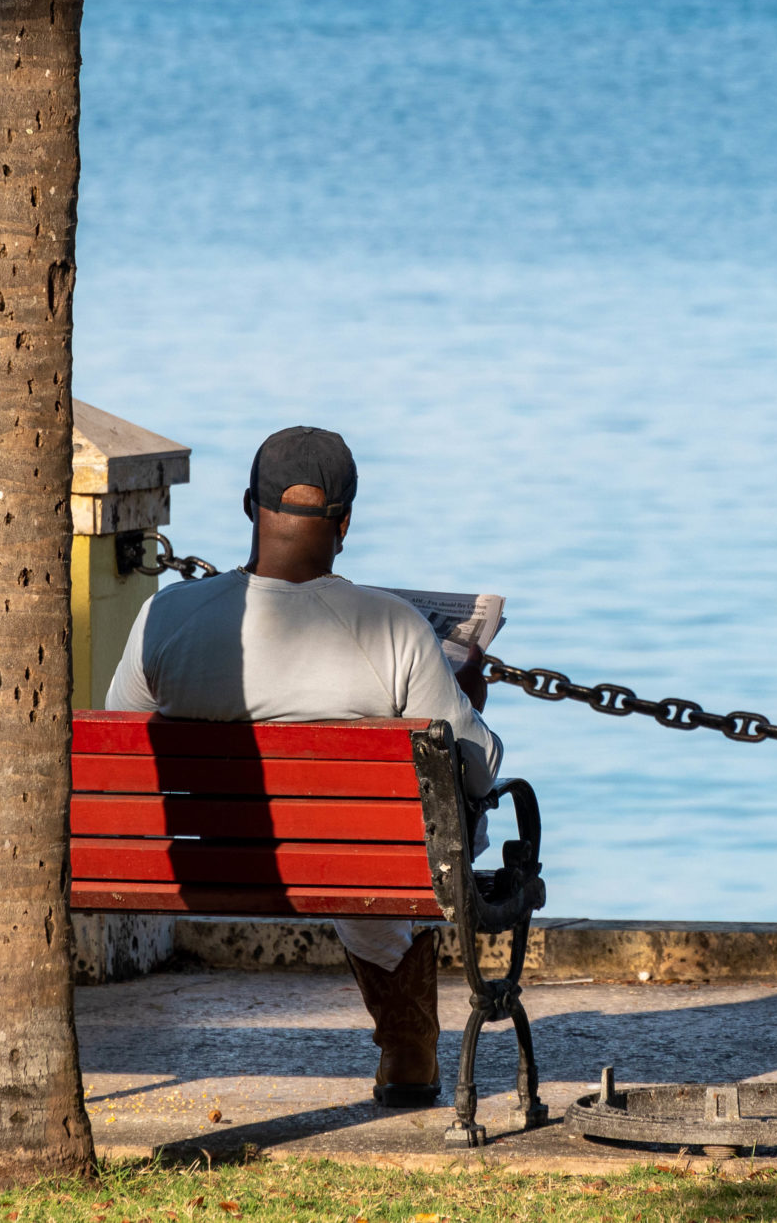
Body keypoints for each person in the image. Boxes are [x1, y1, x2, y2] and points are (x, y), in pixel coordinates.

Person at [103, 425, 500, 1108]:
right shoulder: (396, 628)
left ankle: (407, 1043)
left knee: (351, 842)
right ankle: (408, 1047)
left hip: (200, 861)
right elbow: (477, 770)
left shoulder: (165, 616)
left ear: (248, 506)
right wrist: (467, 693)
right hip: (356, 858)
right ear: (344, 523)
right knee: (380, 846)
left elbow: (118, 743)